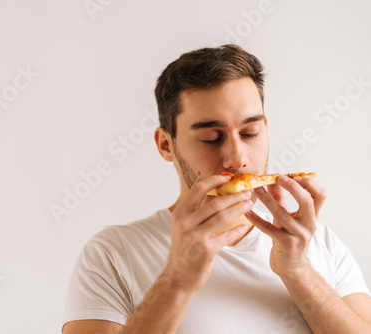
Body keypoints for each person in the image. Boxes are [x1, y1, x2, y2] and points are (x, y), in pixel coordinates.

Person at [61, 44, 371, 333]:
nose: (237, 158)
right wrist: (177, 282)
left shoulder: (321, 245)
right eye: (211, 137)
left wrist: (299, 271)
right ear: (166, 145)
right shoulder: (112, 253)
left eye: (249, 133)